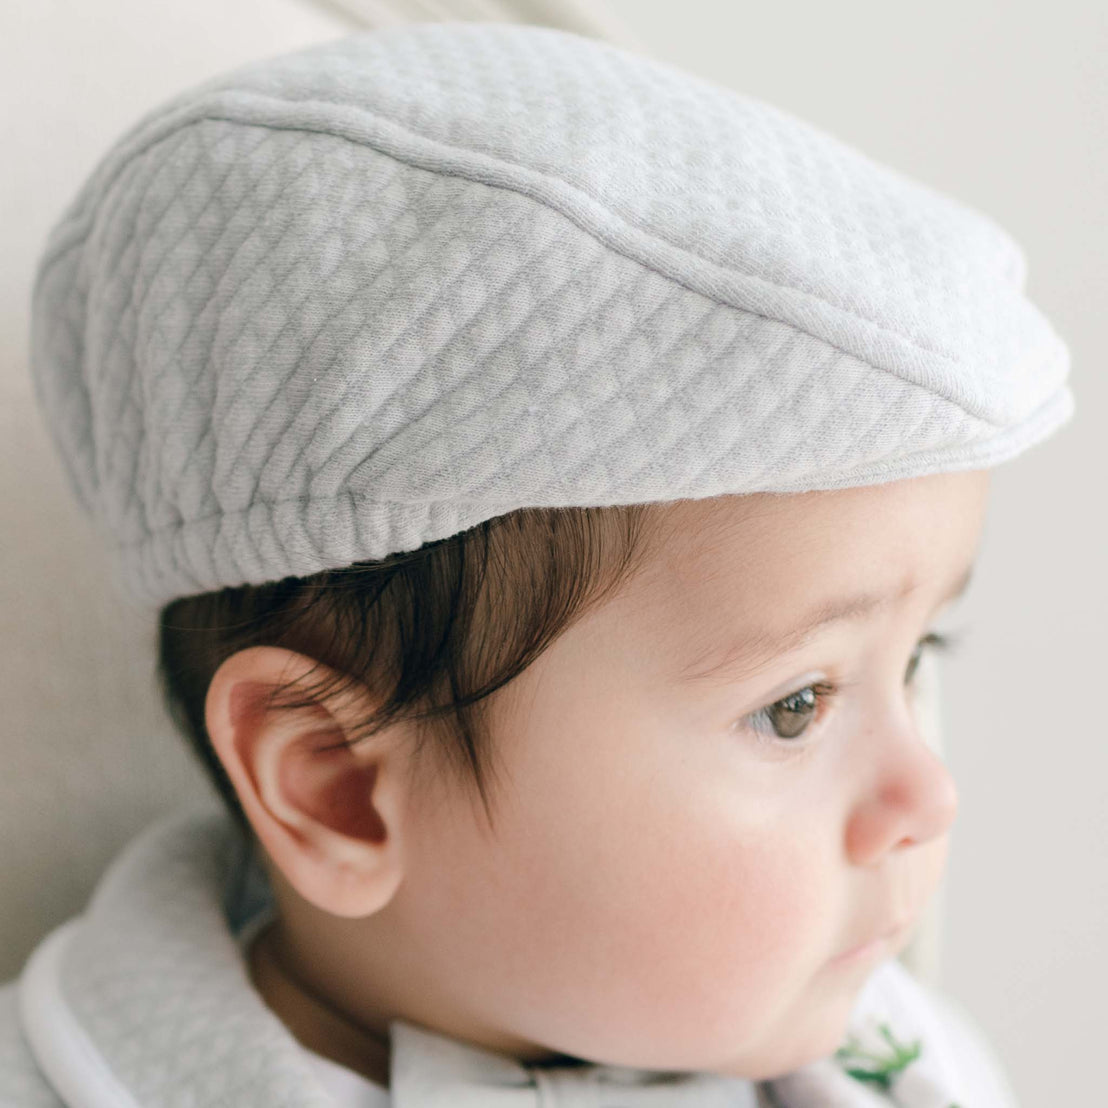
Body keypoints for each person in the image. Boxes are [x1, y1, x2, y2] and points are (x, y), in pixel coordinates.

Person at [1, 19, 1072, 1107]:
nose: (929, 794)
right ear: (339, 782)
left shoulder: (899, 1066)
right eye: (794, 706)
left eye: (917, 654)